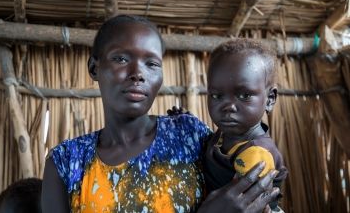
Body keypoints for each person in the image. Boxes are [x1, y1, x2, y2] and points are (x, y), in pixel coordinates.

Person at [41, 15, 280, 213]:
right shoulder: (66, 162)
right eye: (121, 59)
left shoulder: (189, 136)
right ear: (95, 68)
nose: (138, 73)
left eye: (151, 64)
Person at [203, 39, 288, 212]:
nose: (228, 106)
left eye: (244, 95)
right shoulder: (227, 135)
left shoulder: (256, 156)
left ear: (270, 99)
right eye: (216, 96)